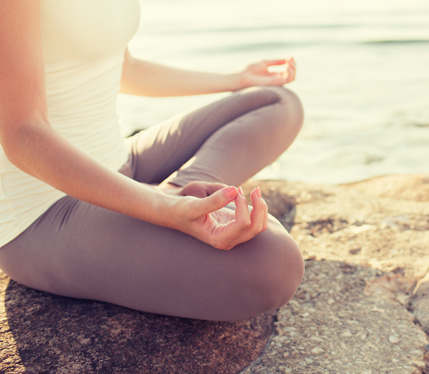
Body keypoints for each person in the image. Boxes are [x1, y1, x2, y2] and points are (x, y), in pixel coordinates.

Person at [0, 1, 305, 321]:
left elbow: (123, 68)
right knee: (274, 262)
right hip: (45, 209)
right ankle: (171, 200)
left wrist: (236, 79)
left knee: (276, 101)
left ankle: (177, 188)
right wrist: (160, 208)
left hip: (122, 158)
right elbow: (23, 135)